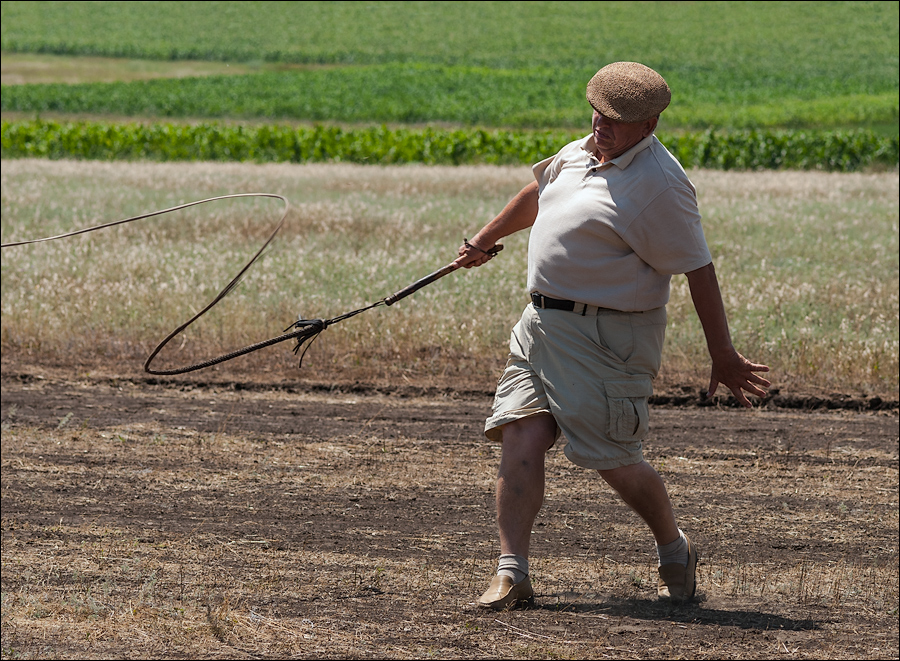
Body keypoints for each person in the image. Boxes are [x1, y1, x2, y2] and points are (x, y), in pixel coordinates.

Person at [452, 61, 771, 610]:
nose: (602, 126)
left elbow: (698, 267)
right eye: (597, 114)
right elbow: (540, 192)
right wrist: (485, 239)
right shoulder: (581, 151)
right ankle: (512, 572)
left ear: (649, 125)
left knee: (613, 458)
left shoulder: (660, 186)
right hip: (540, 324)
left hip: (608, 337)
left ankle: (674, 550)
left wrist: (722, 353)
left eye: (616, 120)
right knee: (520, 432)